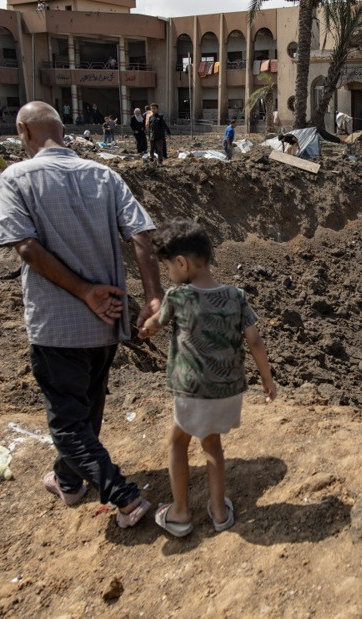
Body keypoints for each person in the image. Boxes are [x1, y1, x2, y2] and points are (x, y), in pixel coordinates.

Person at [0, 101, 162, 530]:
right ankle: (69, 480)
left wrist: (85, 292)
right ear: (63, 133)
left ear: (25, 132)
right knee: (87, 408)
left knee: (69, 424)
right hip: (107, 322)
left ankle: (124, 497)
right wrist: (154, 296)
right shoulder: (104, 176)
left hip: (57, 324)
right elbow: (141, 235)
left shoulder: (15, 179)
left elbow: (27, 248)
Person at [139, 220, 276, 537]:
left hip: (193, 391)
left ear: (182, 263)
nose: (169, 274)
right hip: (228, 391)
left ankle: (180, 513)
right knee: (212, 444)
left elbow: (156, 324)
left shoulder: (178, 296)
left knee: (177, 442)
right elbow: (255, 341)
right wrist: (267, 380)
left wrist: (146, 330)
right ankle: (218, 512)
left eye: (168, 267)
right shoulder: (236, 296)